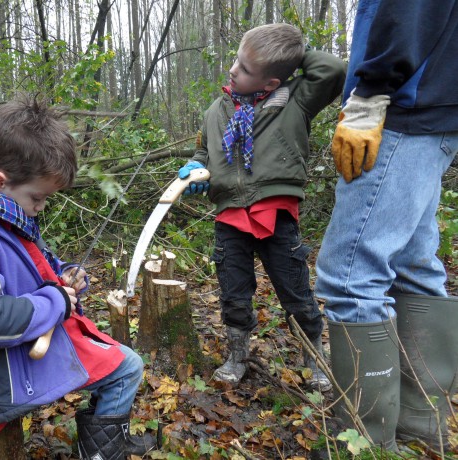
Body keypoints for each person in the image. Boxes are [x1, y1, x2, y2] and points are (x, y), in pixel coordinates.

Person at [0, 97, 156, 458]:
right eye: (38, 198)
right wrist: (55, 300)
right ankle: (101, 452)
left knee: (122, 362)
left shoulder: (2, 211)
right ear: (0, 181)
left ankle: (104, 440)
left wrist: (64, 273)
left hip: (30, 346)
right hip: (8, 371)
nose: (41, 207)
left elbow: (35, 264)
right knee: (128, 368)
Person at [315, 0, 458, 452]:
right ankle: (420, 424)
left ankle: (365, 443)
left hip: (402, 107)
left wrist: (371, 92)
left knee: (351, 275)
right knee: (413, 264)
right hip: (433, 106)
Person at [178, 24, 346, 390]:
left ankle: (315, 360)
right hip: (230, 216)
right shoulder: (216, 110)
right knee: (233, 292)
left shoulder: (293, 99)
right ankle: (238, 355)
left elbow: (333, 70)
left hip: (276, 213)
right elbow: (203, 152)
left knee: (297, 293)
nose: (234, 70)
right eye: (237, 60)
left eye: (246, 68)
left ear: (270, 83)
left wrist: (291, 54)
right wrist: (196, 169)